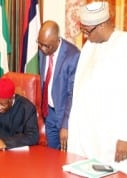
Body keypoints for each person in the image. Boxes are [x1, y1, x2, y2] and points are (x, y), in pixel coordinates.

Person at [67, 1, 127, 177]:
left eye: (88, 31)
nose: (86, 36)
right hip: (93, 136)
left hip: (117, 138)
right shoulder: (90, 47)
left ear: (103, 25)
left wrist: (125, 137)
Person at [37, 20, 80, 150]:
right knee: (51, 155)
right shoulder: (42, 49)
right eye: (40, 44)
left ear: (57, 40)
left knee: (65, 155)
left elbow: (72, 94)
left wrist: (65, 125)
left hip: (63, 114)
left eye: (47, 46)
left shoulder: (73, 56)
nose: (43, 49)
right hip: (49, 111)